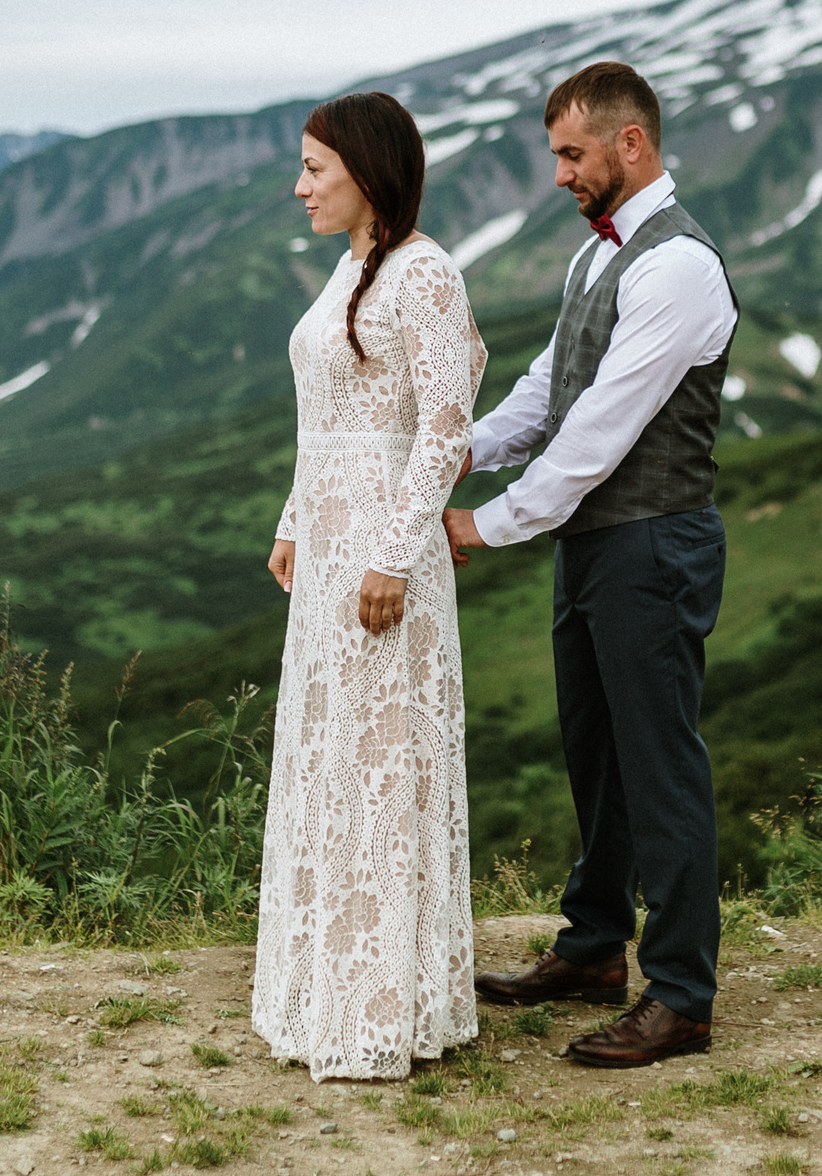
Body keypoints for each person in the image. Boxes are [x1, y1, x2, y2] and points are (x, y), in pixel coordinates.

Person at [443, 60, 738, 1069]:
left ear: (630, 144)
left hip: (653, 541)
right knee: (595, 753)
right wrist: (457, 449)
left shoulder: (678, 267)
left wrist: (490, 523)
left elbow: (601, 430)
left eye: (572, 153)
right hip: (596, 544)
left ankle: (683, 995)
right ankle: (593, 948)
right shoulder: (595, 259)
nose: (560, 173)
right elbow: (552, 385)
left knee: (660, 765)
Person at [252, 90, 487, 1081]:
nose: (299, 185)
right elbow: (329, 417)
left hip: (384, 555)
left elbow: (445, 421)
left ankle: (383, 1005)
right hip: (330, 550)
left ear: (364, 170)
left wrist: (393, 554)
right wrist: (295, 518)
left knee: (383, 761)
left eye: (315, 168)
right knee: (333, 761)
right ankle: (326, 993)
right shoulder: (350, 267)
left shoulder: (422, 273)